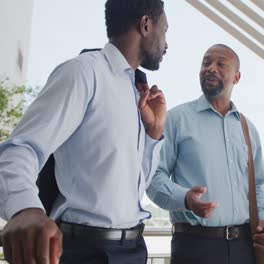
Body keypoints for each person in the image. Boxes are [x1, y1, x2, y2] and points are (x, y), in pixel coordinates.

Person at [0, 0, 168, 263]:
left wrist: (153, 132)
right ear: (146, 25)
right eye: (164, 30)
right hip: (88, 252)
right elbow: (21, 148)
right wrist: (26, 210)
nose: (166, 43)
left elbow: (134, 186)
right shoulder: (83, 72)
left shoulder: (136, 92)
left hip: (134, 249)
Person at [147, 44, 264, 264]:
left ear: (236, 77)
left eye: (220, 64)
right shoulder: (175, 119)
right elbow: (152, 177)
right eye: (206, 63)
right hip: (194, 247)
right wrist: (186, 199)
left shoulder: (248, 128)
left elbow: (258, 188)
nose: (211, 68)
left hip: (244, 248)